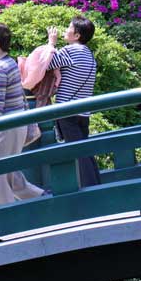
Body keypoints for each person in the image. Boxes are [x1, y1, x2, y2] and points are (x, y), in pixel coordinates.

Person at [0, 22, 46, 205]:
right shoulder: (9, 63)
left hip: (5, 126)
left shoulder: (0, 68)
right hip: (15, 123)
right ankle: (40, 197)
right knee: (8, 171)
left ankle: (4, 218)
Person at [47, 16, 101, 187]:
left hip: (67, 111)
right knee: (85, 151)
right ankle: (95, 186)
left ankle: (91, 191)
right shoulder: (88, 54)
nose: (65, 30)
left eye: (69, 28)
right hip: (83, 112)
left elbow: (45, 64)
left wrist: (51, 44)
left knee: (78, 153)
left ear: (77, 35)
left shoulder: (70, 51)